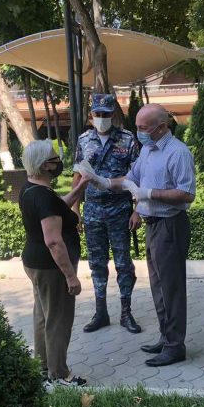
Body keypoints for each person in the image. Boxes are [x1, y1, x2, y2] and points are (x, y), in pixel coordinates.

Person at [85, 104, 196, 367]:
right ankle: (166, 338)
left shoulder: (178, 153)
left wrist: (150, 193)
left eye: (143, 128)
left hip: (170, 225)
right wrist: (103, 181)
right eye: (136, 127)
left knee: (171, 289)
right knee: (158, 287)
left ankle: (175, 347)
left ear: (162, 127)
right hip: (153, 225)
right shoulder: (147, 149)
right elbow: (130, 179)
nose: (138, 132)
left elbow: (187, 193)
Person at [19, 140, 90, 387]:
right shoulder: (44, 197)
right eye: (54, 159)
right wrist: (71, 276)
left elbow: (60, 207)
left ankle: (42, 367)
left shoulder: (31, 188)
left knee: (43, 316)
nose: (58, 162)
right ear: (44, 165)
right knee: (58, 320)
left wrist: (80, 188)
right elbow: (53, 241)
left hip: (35, 263)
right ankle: (59, 375)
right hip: (52, 268)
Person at [72, 93, 142, 334]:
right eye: (97, 114)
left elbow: (137, 177)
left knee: (124, 264)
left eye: (106, 114)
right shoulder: (84, 140)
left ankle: (126, 312)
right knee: (97, 263)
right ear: (91, 115)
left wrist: (137, 211)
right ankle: (100, 312)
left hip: (120, 209)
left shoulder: (127, 139)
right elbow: (77, 176)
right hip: (92, 210)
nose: (101, 117)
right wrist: (75, 209)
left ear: (113, 114)